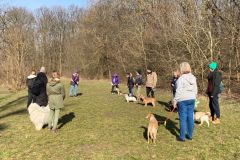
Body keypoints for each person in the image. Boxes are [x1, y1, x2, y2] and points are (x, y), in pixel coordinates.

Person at [173, 62, 198, 142]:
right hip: (192, 99)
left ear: (181, 69)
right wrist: (194, 96)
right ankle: (190, 135)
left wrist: (175, 100)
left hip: (182, 100)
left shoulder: (181, 79)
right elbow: (196, 89)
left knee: (183, 118)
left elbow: (178, 91)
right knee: (190, 117)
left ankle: (182, 137)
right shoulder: (193, 77)